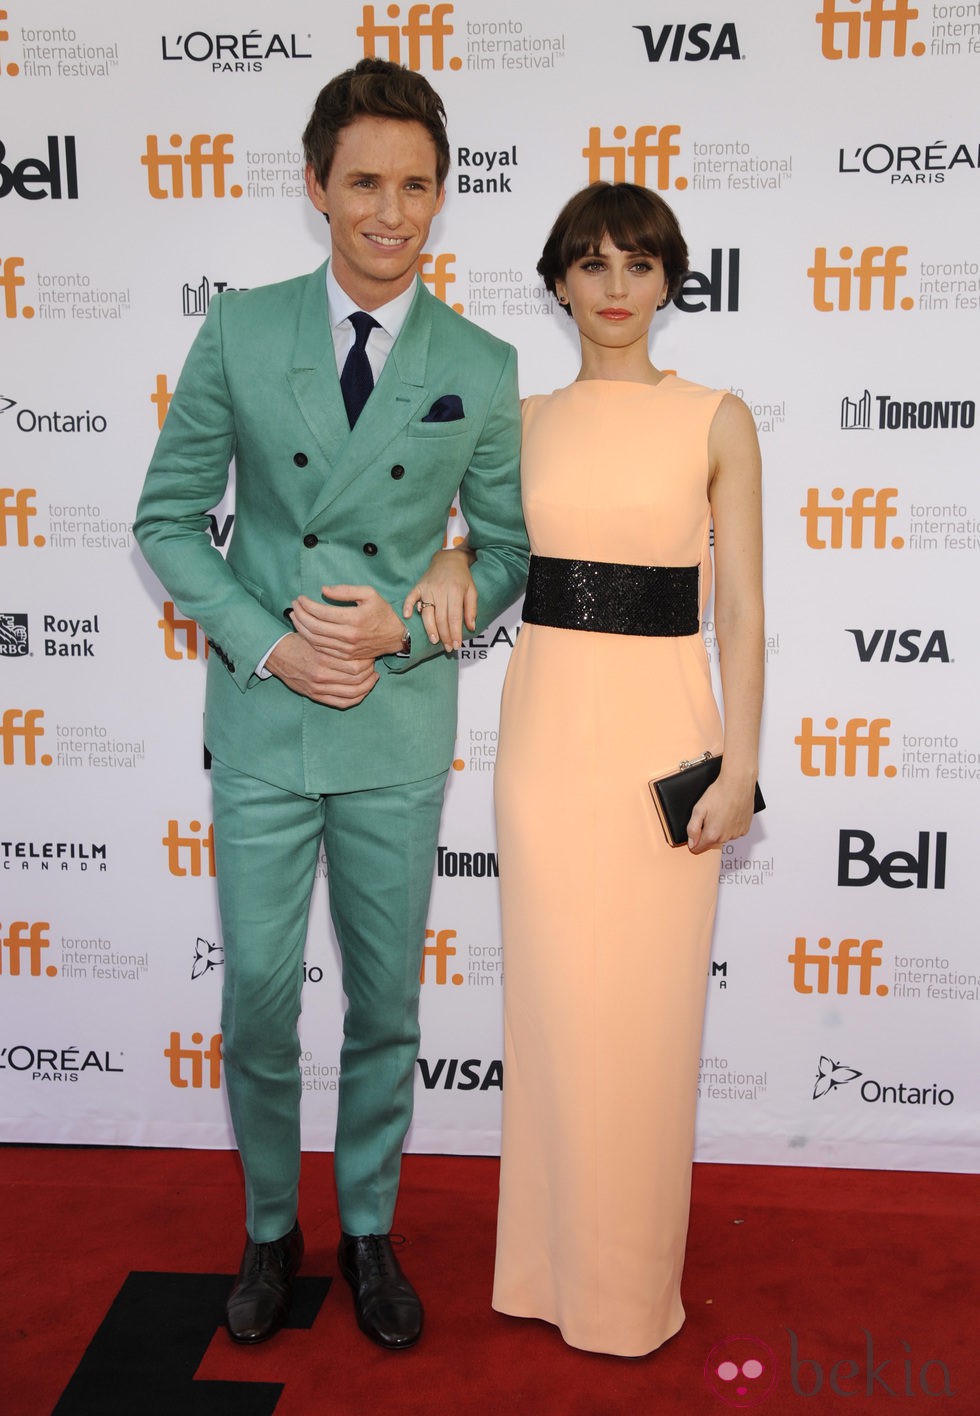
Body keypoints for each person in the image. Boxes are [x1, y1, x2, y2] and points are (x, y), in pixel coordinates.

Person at [134, 57, 527, 1352]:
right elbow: (168, 521)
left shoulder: (479, 357)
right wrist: (267, 644)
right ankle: (266, 1225)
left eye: (416, 184)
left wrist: (411, 615)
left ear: (441, 196)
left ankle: (366, 1225)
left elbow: (508, 551)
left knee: (386, 1003)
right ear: (316, 187)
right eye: (364, 181)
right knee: (255, 993)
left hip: (396, 726)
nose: (390, 211)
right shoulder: (241, 330)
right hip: (263, 720)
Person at [414, 181, 763, 1357]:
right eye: (592, 264)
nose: (615, 288)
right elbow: (495, 549)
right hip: (547, 742)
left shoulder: (716, 417)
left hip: (663, 738)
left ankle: (623, 1292)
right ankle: (543, 1270)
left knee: (647, 1020)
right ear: (558, 281)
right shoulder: (521, 420)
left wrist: (736, 765)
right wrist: (461, 553)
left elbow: (746, 617)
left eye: (638, 265)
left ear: (669, 282)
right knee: (557, 1010)